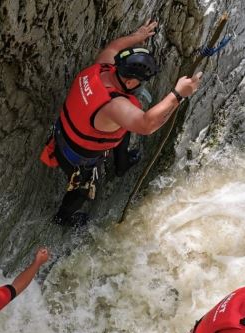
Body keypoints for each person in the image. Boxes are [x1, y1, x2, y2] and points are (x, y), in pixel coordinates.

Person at [40, 19, 203, 227]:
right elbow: (146, 125)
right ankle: (63, 217)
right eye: (139, 82)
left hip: (65, 133)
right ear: (129, 81)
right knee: (81, 191)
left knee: (124, 125)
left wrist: (138, 36)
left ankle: (121, 162)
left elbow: (114, 47)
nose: (139, 86)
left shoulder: (103, 66)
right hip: (76, 158)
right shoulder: (115, 106)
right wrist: (178, 94)